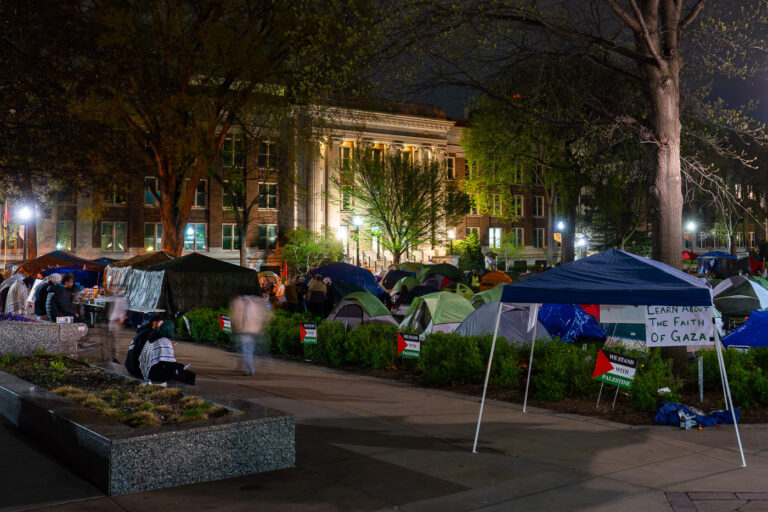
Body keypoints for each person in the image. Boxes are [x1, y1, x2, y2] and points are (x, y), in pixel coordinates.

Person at [139, 319, 195, 385]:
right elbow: (169, 363)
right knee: (191, 375)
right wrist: (182, 366)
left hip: (145, 372)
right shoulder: (164, 341)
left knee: (176, 372)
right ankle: (184, 392)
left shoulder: (152, 337)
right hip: (154, 374)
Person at [230, 293, 270, 376]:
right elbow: (263, 316)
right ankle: (248, 366)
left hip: (245, 330)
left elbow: (238, 317)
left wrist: (236, 327)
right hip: (254, 330)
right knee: (249, 350)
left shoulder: (240, 302)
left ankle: (250, 369)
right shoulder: (255, 302)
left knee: (247, 351)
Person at [125, 314, 163, 378]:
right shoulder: (149, 334)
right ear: (155, 323)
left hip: (130, 366)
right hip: (137, 369)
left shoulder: (143, 331)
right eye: (161, 324)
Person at [103, 288, 128, 363]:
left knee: (115, 341)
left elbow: (126, 310)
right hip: (108, 321)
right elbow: (106, 309)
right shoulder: (111, 297)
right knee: (106, 341)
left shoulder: (124, 299)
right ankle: (105, 358)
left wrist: (123, 318)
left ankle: (115, 358)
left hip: (116, 322)